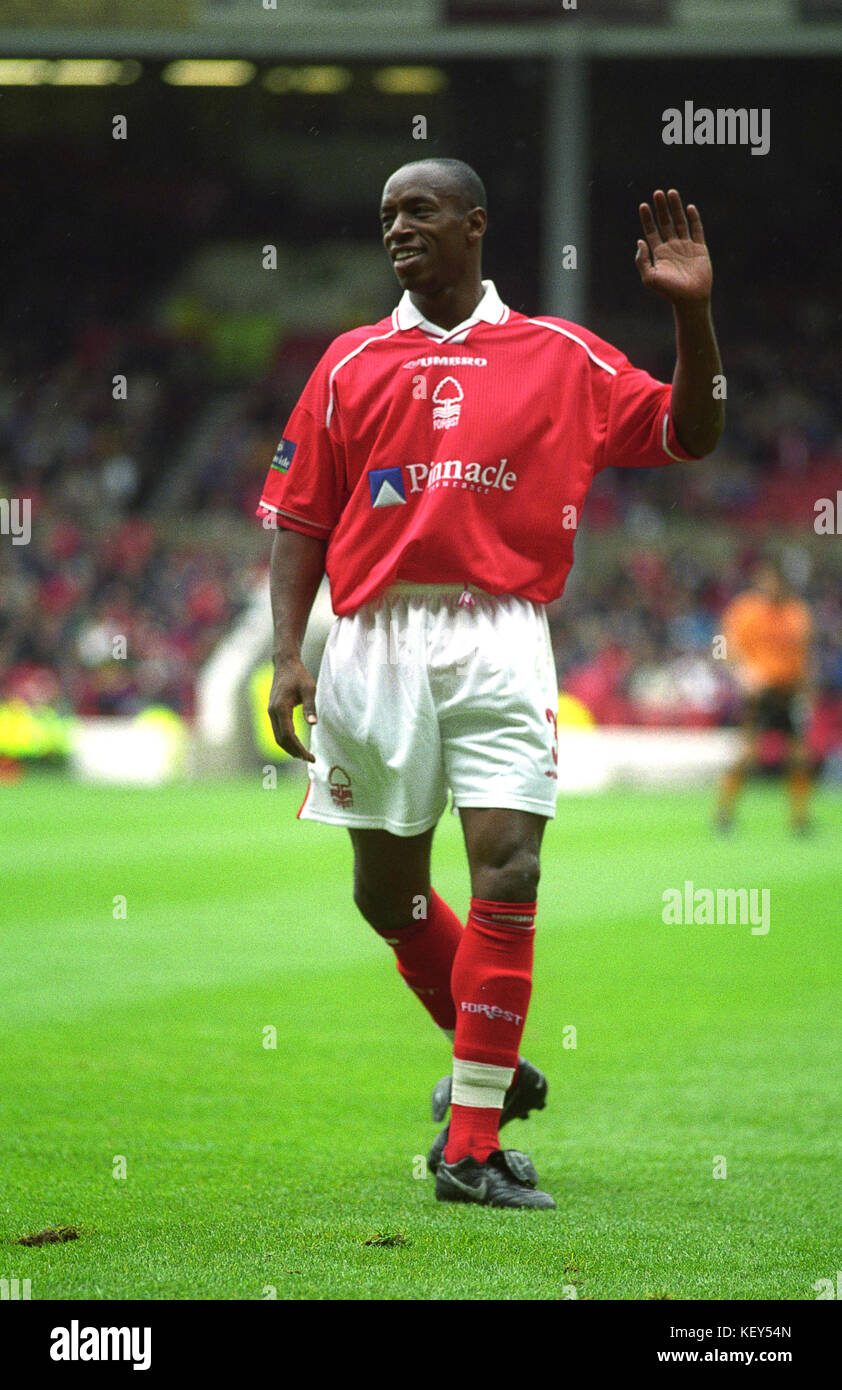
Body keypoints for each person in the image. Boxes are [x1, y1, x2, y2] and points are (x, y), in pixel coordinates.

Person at [259, 158, 723, 1209]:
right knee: (389, 894)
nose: (398, 228)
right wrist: (290, 651)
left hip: (500, 631)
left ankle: (467, 1144)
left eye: (418, 210)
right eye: (385, 215)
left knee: (506, 869)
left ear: (475, 222)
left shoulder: (559, 355)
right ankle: (493, 1063)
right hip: (370, 637)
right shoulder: (346, 362)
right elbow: (297, 517)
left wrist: (692, 321)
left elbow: (691, 433)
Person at [716, 561, 813, 833]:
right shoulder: (745, 611)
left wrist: (806, 688)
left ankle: (799, 817)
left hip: (788, 692)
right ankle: (724, 812)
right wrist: (742, 673)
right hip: (759, 695)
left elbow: (803, 655)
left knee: (799, 756)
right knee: (747, 754)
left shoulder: (797, 613)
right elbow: (723, 647)